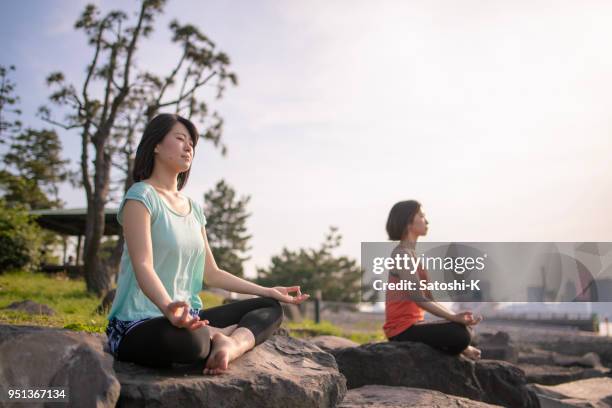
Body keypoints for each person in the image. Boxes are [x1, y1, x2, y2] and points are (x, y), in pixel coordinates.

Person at [106, 113, 310, 375]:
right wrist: (169, 307)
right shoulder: (141, 196)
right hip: (139, 323)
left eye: (191, 142)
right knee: (192, 341)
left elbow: (211, 273)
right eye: (180, 139)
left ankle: (230, 345)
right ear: (155, 145)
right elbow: (143, 265)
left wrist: (267, 290)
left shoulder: (194, 209)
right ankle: (214, 336)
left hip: (190, 318)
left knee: (268, 308)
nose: (188, 146)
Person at [383, 200, 482, 359]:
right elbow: (419, 299)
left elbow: (430, 299)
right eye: (421, 216)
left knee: (463, 330)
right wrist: (454, 319)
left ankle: (463, 347)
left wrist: (458, 317)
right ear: (408, 222)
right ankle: (462, 346)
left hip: (415, 325)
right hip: (401, 330)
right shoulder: (401, 254)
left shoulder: (414, 256)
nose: (426, 221)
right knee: (460, 334)